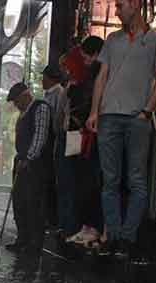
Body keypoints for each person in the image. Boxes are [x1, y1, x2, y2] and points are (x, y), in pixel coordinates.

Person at [86, 0, 156, 257]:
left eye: (121, 6)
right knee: (110, 180)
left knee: (136, 180)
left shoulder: (155, 41)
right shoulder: (112, 40)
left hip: (137, 118)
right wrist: (94, 111)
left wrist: (147, 111)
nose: (118, 11)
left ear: (135, 5)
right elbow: (102, 77)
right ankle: (113, 235)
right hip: (109, 116)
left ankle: (127, 238)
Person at [63, 36, 105, 247]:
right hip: (85, 134)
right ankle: (87, 227)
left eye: (86, 57)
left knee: (89, 182)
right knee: (85, 182)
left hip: (88, 134)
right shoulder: (88, 76)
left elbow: (85, 103)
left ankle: (91, 228)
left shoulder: (95, 75)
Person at [5, 82, 53, 255]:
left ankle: (34, 243)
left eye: (17, 101)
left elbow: (40, 136)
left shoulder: (41, 108)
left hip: (36, 165)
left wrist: (28, 158)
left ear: (25, 96)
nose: (16, 105)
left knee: (34, 204)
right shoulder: (23, 113)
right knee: (19, 202)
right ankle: (22, 239)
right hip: (22, 161)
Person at [41, 63, 75, 240]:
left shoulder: (59, 93)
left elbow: (58, 118)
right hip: (52, 140)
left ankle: (60, 222)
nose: (41, 80)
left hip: (59, 140)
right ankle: (55, 220)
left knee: (61, 182)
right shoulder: (52, 93)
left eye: (44, 77)